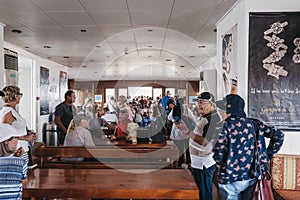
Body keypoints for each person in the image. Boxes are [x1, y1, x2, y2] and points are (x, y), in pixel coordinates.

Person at [213, 94, 284, 200]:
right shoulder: (255, 124)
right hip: (251, 176)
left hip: (229, 177)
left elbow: (218, 153)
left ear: (228, 108)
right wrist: (266, 155)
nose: (219, 111)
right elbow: (279, 135)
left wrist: (223, 163)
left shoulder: (223, 126)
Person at [187, 92, 221, 200]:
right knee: (201, 189)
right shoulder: (206, 116)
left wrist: (187, 132)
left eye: (203, 102)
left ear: (212, 104)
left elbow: (205, 141)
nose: (200, 105)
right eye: (198, 102)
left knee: (204, 192)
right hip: (199, 161)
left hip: (204, 162)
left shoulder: (212, 119)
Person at [0, 86, 36, 164]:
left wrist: (26, 132)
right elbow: (5, 133)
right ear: (16, 96)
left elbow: (13, 130)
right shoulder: (8, 111)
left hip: (21, 149)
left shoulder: (12, 110)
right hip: (16, 151)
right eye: (20, 94)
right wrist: (25, 137)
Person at [0, 123, 28, 200]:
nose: (18, 140)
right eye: (16, 137)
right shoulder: (20, 163)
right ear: (7, 141)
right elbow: (23, 182)